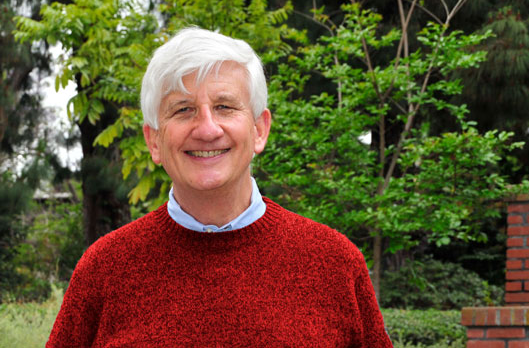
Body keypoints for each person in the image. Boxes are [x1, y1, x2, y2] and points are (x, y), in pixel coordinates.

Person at [46, 27, 393, 347]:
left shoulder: (334, 264)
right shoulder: (104, 269)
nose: (208, 129)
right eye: (183, 110)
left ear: (259, 129)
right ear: (153, 141)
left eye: (225, 107)